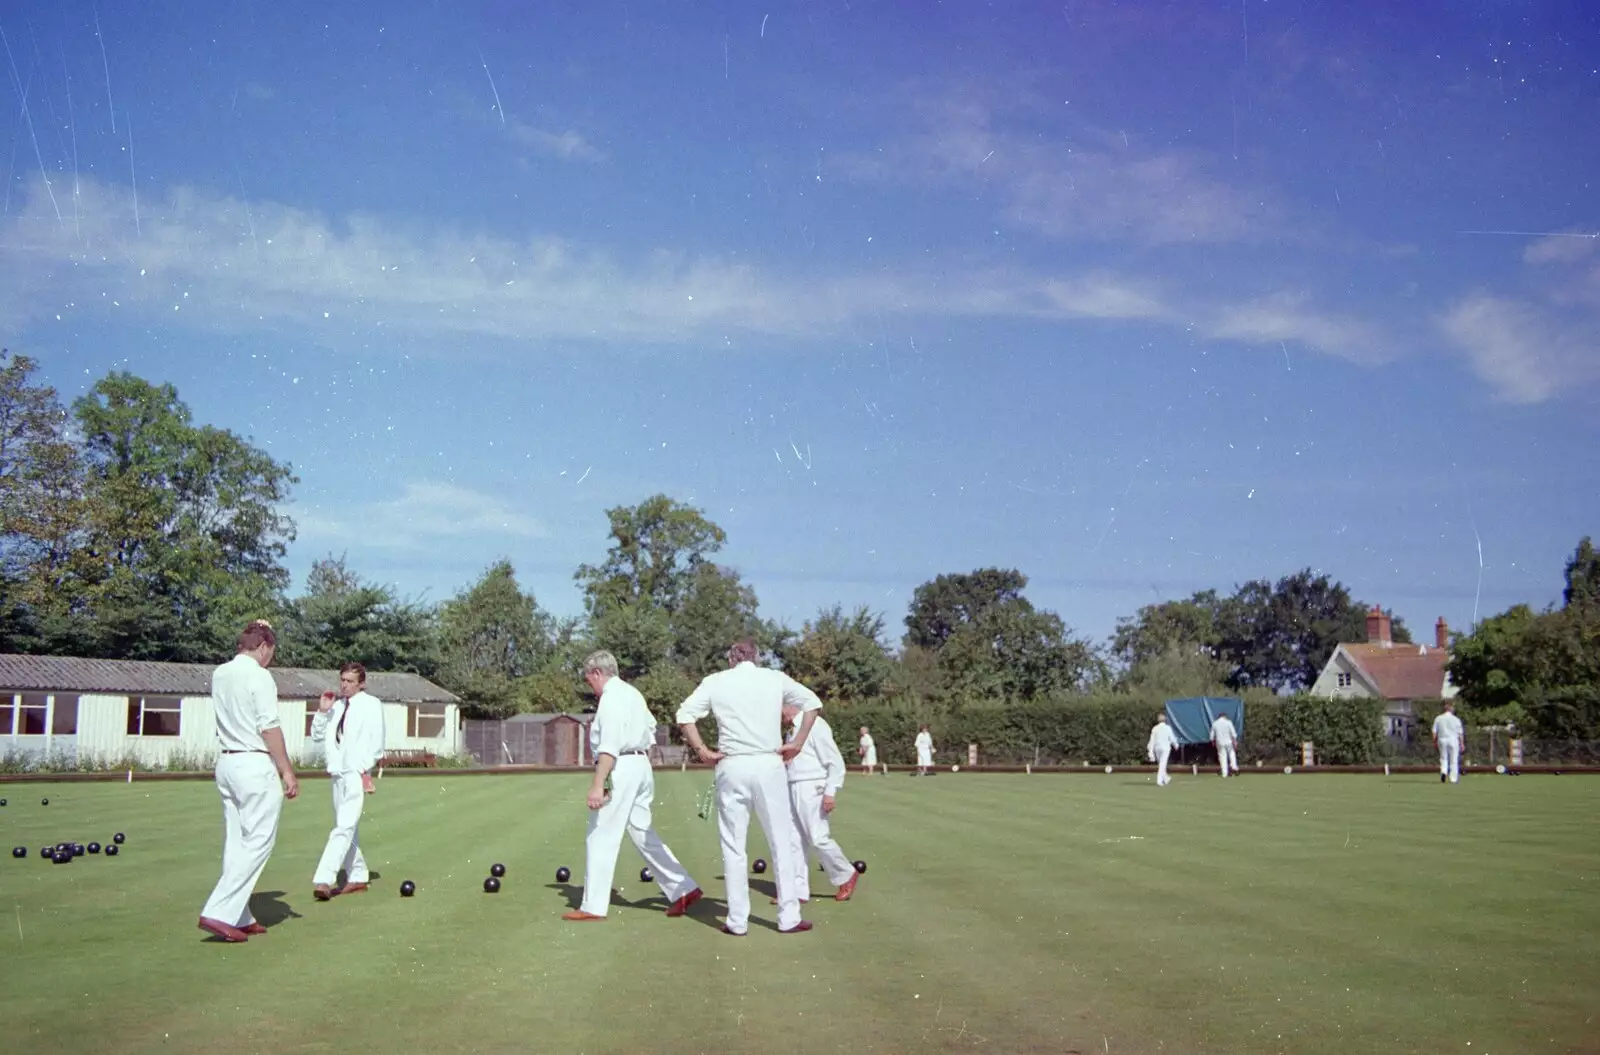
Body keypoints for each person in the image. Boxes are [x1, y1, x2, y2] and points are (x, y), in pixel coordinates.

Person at [676, 639, 821, 937]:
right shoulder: (773, 678)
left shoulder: (716, 681)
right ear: (756, 658)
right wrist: (798, 742)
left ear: (731, 659)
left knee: (733, 845)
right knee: (780, 842)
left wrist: (702, 750)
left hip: (732, 765)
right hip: (769, 765)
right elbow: (813, 704)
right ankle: (789, 918)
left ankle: (737, 921)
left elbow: (684, 716)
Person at [565, 651, 703, 923]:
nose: (589, 686)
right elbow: (650, 730)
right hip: (641, 766)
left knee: (601, 833)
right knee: (641, 831)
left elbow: (609, 745)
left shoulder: (611, 699)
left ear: (596, 673)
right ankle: (684, 888)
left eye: (588, 679)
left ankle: (593, 906)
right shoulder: (632, 694)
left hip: (621, 766)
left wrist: (597, 784)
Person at [198, 620, 299, 943]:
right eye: (272, 651)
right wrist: (286, 769)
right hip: (254, 762)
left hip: (226, 762)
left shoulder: (220, 673)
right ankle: (219, 910)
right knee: (258, 841)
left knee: (237, 841)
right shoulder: (260, 676)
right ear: (264, 646)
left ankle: (239, 914)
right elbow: (268, 727)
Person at [310, 662, 386, 901]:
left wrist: (363, 770)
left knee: (343, 827)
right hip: (337, 774)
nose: (344, 685)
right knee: (347, 828)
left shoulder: (372, 705)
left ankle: (324, 878)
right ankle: (358, 876)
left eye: (350, 681)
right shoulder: (336, 706)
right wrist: (322, 712)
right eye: (342, 680)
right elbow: (317, 736)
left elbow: (377, 744)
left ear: (361, 683)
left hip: (355, 773)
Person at [777, 701, 859, 904]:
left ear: (789, 705)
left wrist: (830, 792)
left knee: (818, 837)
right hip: (793, 785)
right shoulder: (791, 730)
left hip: (813, 786)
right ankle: (797, 890)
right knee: (793, 840)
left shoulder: (815, 724)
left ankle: (846, 873)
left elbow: (835, 761)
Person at [1433, 701, 1465, 784]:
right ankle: (1453, 778)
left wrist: (1435, 742)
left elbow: (1434, 732)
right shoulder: (1456, 719)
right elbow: (1460, 733)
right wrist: (1462, 743)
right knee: (1453, 759)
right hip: (1453, 739)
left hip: (1442, 739)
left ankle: (1444, 771)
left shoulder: (1438, 718)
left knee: (1443, 758)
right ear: (1451, 709)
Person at [1147, 713, 1177, 786]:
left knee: (1161, 764)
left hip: (1157, 748)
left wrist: (1150, 751)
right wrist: (1176, 745)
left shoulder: (1155, 728)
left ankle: (1166, 778)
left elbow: (1152, 740)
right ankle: (1159, 781)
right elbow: (1172, 738)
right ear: (1165, 720)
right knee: (1162, 764)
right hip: (1165, 748)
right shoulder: (1168, 728)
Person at [1210, 711, 1239, 778]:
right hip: (1228, 742)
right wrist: (1235, 741)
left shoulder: (1215, 723)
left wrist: (1213, 742)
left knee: (1222, 757)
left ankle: (1224, 773)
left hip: (1219, 742)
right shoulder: (1228, 722)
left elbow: (1212, 735)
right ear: (1224, 716)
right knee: (1232, 754)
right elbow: (1233, 733)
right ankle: (1234, 767)